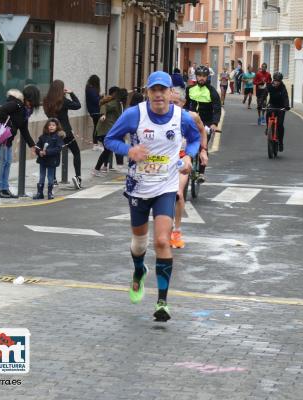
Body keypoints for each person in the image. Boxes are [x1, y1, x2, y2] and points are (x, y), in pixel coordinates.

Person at [104, 71, 201, 322]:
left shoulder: (182, 117)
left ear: (171, 93)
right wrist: (129, 150)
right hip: (138, 186)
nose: (158, 94)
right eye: (153, 90)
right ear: (148, 92)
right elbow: (109, 139)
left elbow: (195, 138)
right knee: (139, 244)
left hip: (166, 186)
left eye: (163, 90)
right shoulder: (134, 114)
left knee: (161, 241)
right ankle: (139, 270)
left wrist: (189, 156)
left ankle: (162, 302)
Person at [169, 87, 209, 249]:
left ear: (184, 103)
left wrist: (203, 151)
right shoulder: (160, 116)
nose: (172, 106)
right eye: (169, 102)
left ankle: (176, 231)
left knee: (178, 194)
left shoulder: (191, 117)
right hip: (163, 161)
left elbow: (201, 132)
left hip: (182, 158)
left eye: (175, 103)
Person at [0, 86, 39, 198]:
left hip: (7, 138)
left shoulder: (26, 110)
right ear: (26, 98)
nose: (30, 104)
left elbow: (24, 129)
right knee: (1, 162)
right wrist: (10, 126)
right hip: (0, 135)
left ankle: (5, 188)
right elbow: (1, 111)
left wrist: (32, 145)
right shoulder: (16, 104)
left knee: (7, 162)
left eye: (32, 103)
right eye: (29, 101)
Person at [185, 65, 222, 183]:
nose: (201, 78)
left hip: (206, 123)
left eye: (204, 76)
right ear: (196, 76)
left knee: (203, 147)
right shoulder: (189, 89)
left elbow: (217, 109)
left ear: (207, 77)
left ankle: (201, 172)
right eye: (199, 76)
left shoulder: (212, 92)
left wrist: (214, 124)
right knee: (185, 144)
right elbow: (185, 105)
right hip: (191, 121)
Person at [43, 80, 83, 189]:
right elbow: (78, 105)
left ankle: (53, 179)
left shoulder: (46, 101)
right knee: (76, 152)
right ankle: (78, 177)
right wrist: (71, 93)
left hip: (52, 131)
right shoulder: (63, 101)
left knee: (54, 154)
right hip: (66, 132)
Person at [92, 86, 123, 176]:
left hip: (108, 130)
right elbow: (104, 106)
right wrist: (103, 115)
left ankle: (102, 168)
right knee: (108, 149)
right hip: (105, 130)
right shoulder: (114, 103)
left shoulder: (118, 103)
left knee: (107, 150)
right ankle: (97, 169)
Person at [32, 119, 65, 200]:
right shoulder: (42, 137)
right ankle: (40, 193)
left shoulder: (58, 137)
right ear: (47, 127)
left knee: (50, 176)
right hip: (42, 160)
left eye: (53, 125)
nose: (51, 127)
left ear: (57, 127)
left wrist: (47, 152)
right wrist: (39, 152)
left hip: (52, 160)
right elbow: (37, 146)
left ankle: (50, 193)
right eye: (50, 125)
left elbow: (58, 149)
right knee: (42, 176)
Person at [265, 72, 290, 152]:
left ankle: (281, 143)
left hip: (281, 106)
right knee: (268, 112)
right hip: (272, 104)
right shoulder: (269, 86)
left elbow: (285, 97)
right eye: (275, 80)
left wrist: (286, 106)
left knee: (280, 124)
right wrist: (260, 103)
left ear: (281, 81)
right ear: (273, 80)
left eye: (278, 81)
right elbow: (264, 94)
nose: (276, 82)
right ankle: (267, 127)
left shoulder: (283, 87)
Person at [85, 75, 101, 150]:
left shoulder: (89, 88)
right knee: (97, 127)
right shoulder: (91, 89)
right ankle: (95, 144)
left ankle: (96, 143)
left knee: (96, 126)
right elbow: (95, 100)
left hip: (93, 110)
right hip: (95, 111)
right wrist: (101, 97)